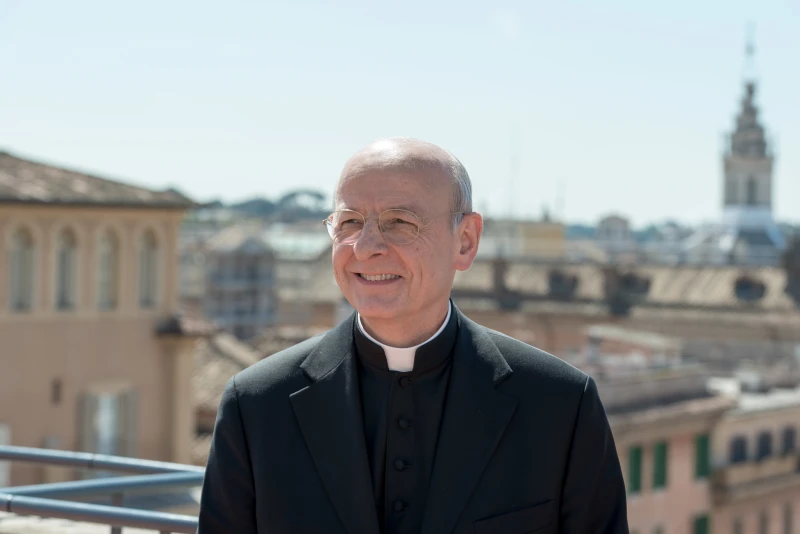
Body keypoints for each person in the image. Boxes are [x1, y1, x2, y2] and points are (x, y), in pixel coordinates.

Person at [198, 138, 629, 534]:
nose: (365, 247)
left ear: (465, 241)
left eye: (400, 222)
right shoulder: (255, 405)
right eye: (349, 222)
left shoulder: (561, 405)